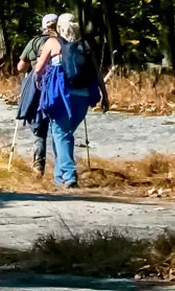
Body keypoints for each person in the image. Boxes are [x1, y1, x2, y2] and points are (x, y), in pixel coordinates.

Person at [33, 13, 109, 188]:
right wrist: (105, 96)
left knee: (61, 134)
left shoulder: (52, 43)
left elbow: (38, 69)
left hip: (61, 95)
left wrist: (38, 81)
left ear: (59, 27)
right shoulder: (85, 45)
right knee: (63, 134)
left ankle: (69, 176)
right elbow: (97, 73)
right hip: (82, 97)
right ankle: (59, 178)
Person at [15, 13, 58, 176]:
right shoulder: (63, 42)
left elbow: (21, 67)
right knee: (58, 127)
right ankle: (60, 167)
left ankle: (38, 164)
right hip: (57, 86)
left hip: (38, 87)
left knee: (39, 126)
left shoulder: (34, 42)